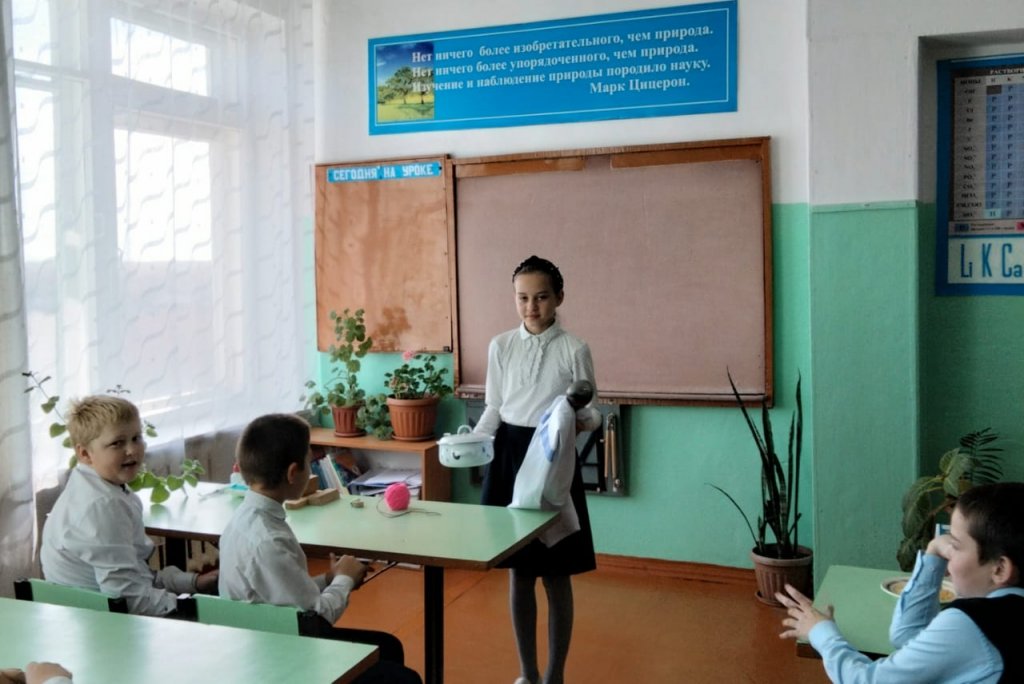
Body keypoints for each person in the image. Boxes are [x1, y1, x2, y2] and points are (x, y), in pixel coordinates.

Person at [218, 413, 421, 684]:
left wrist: (328, 578)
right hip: (283, 656)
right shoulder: (270, 541)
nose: (311, 470)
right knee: (404, 679)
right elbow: (317, 620)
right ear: (293, 473)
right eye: (309, 462)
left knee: (387, 646)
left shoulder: (244, 520)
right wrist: (344, 580)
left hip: (266, 638)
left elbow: (282, 592)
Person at [474, 255, 601, 684]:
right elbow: (494, 407)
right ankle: (527, 674)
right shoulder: (500, 346)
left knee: (557, 573)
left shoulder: (574, 348)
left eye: (541, 297)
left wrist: (579, 418)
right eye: (523, 298)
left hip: (552, 460)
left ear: (559, 298)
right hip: (509, 458)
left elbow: (591, 411)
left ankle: (554, 675)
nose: (531, 306)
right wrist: (472, 443)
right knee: (520, 571)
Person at [777, 481, 1024, 683]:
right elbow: (908, 636)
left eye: (956, 545)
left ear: (1000, 569)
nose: (948, 552)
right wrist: (933, 552)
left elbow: (867, 681)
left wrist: (821, 631)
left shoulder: (970, 625)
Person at [40, 395, 218, 616]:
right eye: (117, 443)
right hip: (104, 624)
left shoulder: (96, 488)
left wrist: (193, 582)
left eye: (136, 438)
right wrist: (193, 607)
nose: (132, 450)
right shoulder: (103, 504)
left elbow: (135, 575)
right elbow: (127, 598)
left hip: (97, 615)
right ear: (85, 454)